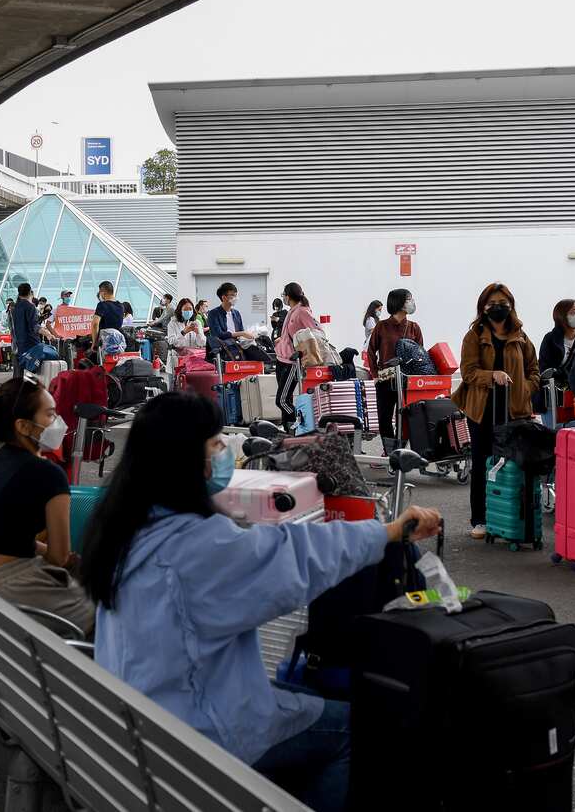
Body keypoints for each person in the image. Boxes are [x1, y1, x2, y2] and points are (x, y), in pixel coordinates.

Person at [81, 391, 442, 811]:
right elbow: (295, 554)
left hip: (140, 723)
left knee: (289, 691)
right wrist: (388, 532)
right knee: (351, 729)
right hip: (197, 736)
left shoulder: (126, 528)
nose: (224, 452)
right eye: (215, 443)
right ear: (185, 459)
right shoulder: (196, 547)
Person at [0, 378, 95, 635]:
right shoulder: (48, 473)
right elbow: (59, 556)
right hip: (12, 587)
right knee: (102, 615)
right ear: (23, 425)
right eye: (50, 414)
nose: (58, 422)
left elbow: (2, 534)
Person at [452, 284, 540, 539]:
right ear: (483, 307)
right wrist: (494, 376)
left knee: (514, 463)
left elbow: (534, 370)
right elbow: (468, 372)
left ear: (511, 304)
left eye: (502, 301)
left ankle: (511, 517)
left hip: (515, 410)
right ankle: (480, 519)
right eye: (492, 303)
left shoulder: (521, 336)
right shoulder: (474, 336)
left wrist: (525, 387)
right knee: (483, 463)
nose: (497, 306)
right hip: (482, 410)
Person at [366, 288, 423, 444]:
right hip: (385, 380)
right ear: (398, 302)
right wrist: (375, 375)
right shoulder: (382, 326)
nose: (412, 302)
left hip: (407, 382)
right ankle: (389, 451)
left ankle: (401, 452)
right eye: (409, 299)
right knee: (384, 418)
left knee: (405, 418)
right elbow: (371, 351)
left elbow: (421, 356)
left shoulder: (414, 327)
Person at [273, 283, 319, 427]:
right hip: (281, 359)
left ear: (288, 296)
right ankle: (288, 429)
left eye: (284, 295)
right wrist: (282, 340)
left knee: (281, 401)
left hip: (292, 362)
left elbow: (316, 332)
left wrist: (300, 350)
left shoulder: (303, 311)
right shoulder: (291, 311)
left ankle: (301, 424)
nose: (283, 298)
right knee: (286, 398)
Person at [536, 299, 575, 413]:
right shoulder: (550, 339)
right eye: (574, 312)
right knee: (556, 428)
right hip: (554, 393)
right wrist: (562, 373)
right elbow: (544, 369)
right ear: (562, 316)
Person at [206, 282, 269, 363]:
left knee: (259, 351)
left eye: (236, 295)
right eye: (232, 295)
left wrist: (250, 335)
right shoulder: (213, 313)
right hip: (224, 349)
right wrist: (241, 333)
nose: (235, 298)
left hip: (237, 346)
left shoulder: (236, 313)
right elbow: (218, 334)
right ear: (224, 297)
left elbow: (240, 332)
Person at [90, 281, 125, 355]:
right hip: (117, 342)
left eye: (100, 292)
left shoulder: (102, 305)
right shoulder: (121, 306)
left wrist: (94, 343)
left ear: (103, 292)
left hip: (104, 341)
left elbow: (95, 324)